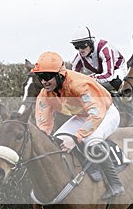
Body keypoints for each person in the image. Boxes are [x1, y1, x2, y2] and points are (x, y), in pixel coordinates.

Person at [31, 51, 125, 199]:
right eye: (40, 77)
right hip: (83, 115)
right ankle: (85, 168)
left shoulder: (79, 85)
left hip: (105, 113)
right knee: (57, 139)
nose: (44, 82)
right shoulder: (45, 94)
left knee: (89, 140)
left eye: (48, 77)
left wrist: (76, 138)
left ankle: (115, 183)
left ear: (60, 75)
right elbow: (44, 125)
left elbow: (96, 114)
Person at [70, 26, 133, 125]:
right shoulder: (79, 57)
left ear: (90, 43)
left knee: (114, 82)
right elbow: (73, 77)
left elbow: (108, 75)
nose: (80, 50)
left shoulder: (105, 48)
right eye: (76, 47)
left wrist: (90, 78)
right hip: (101, 72)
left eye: (83, 45)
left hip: (117, 70)